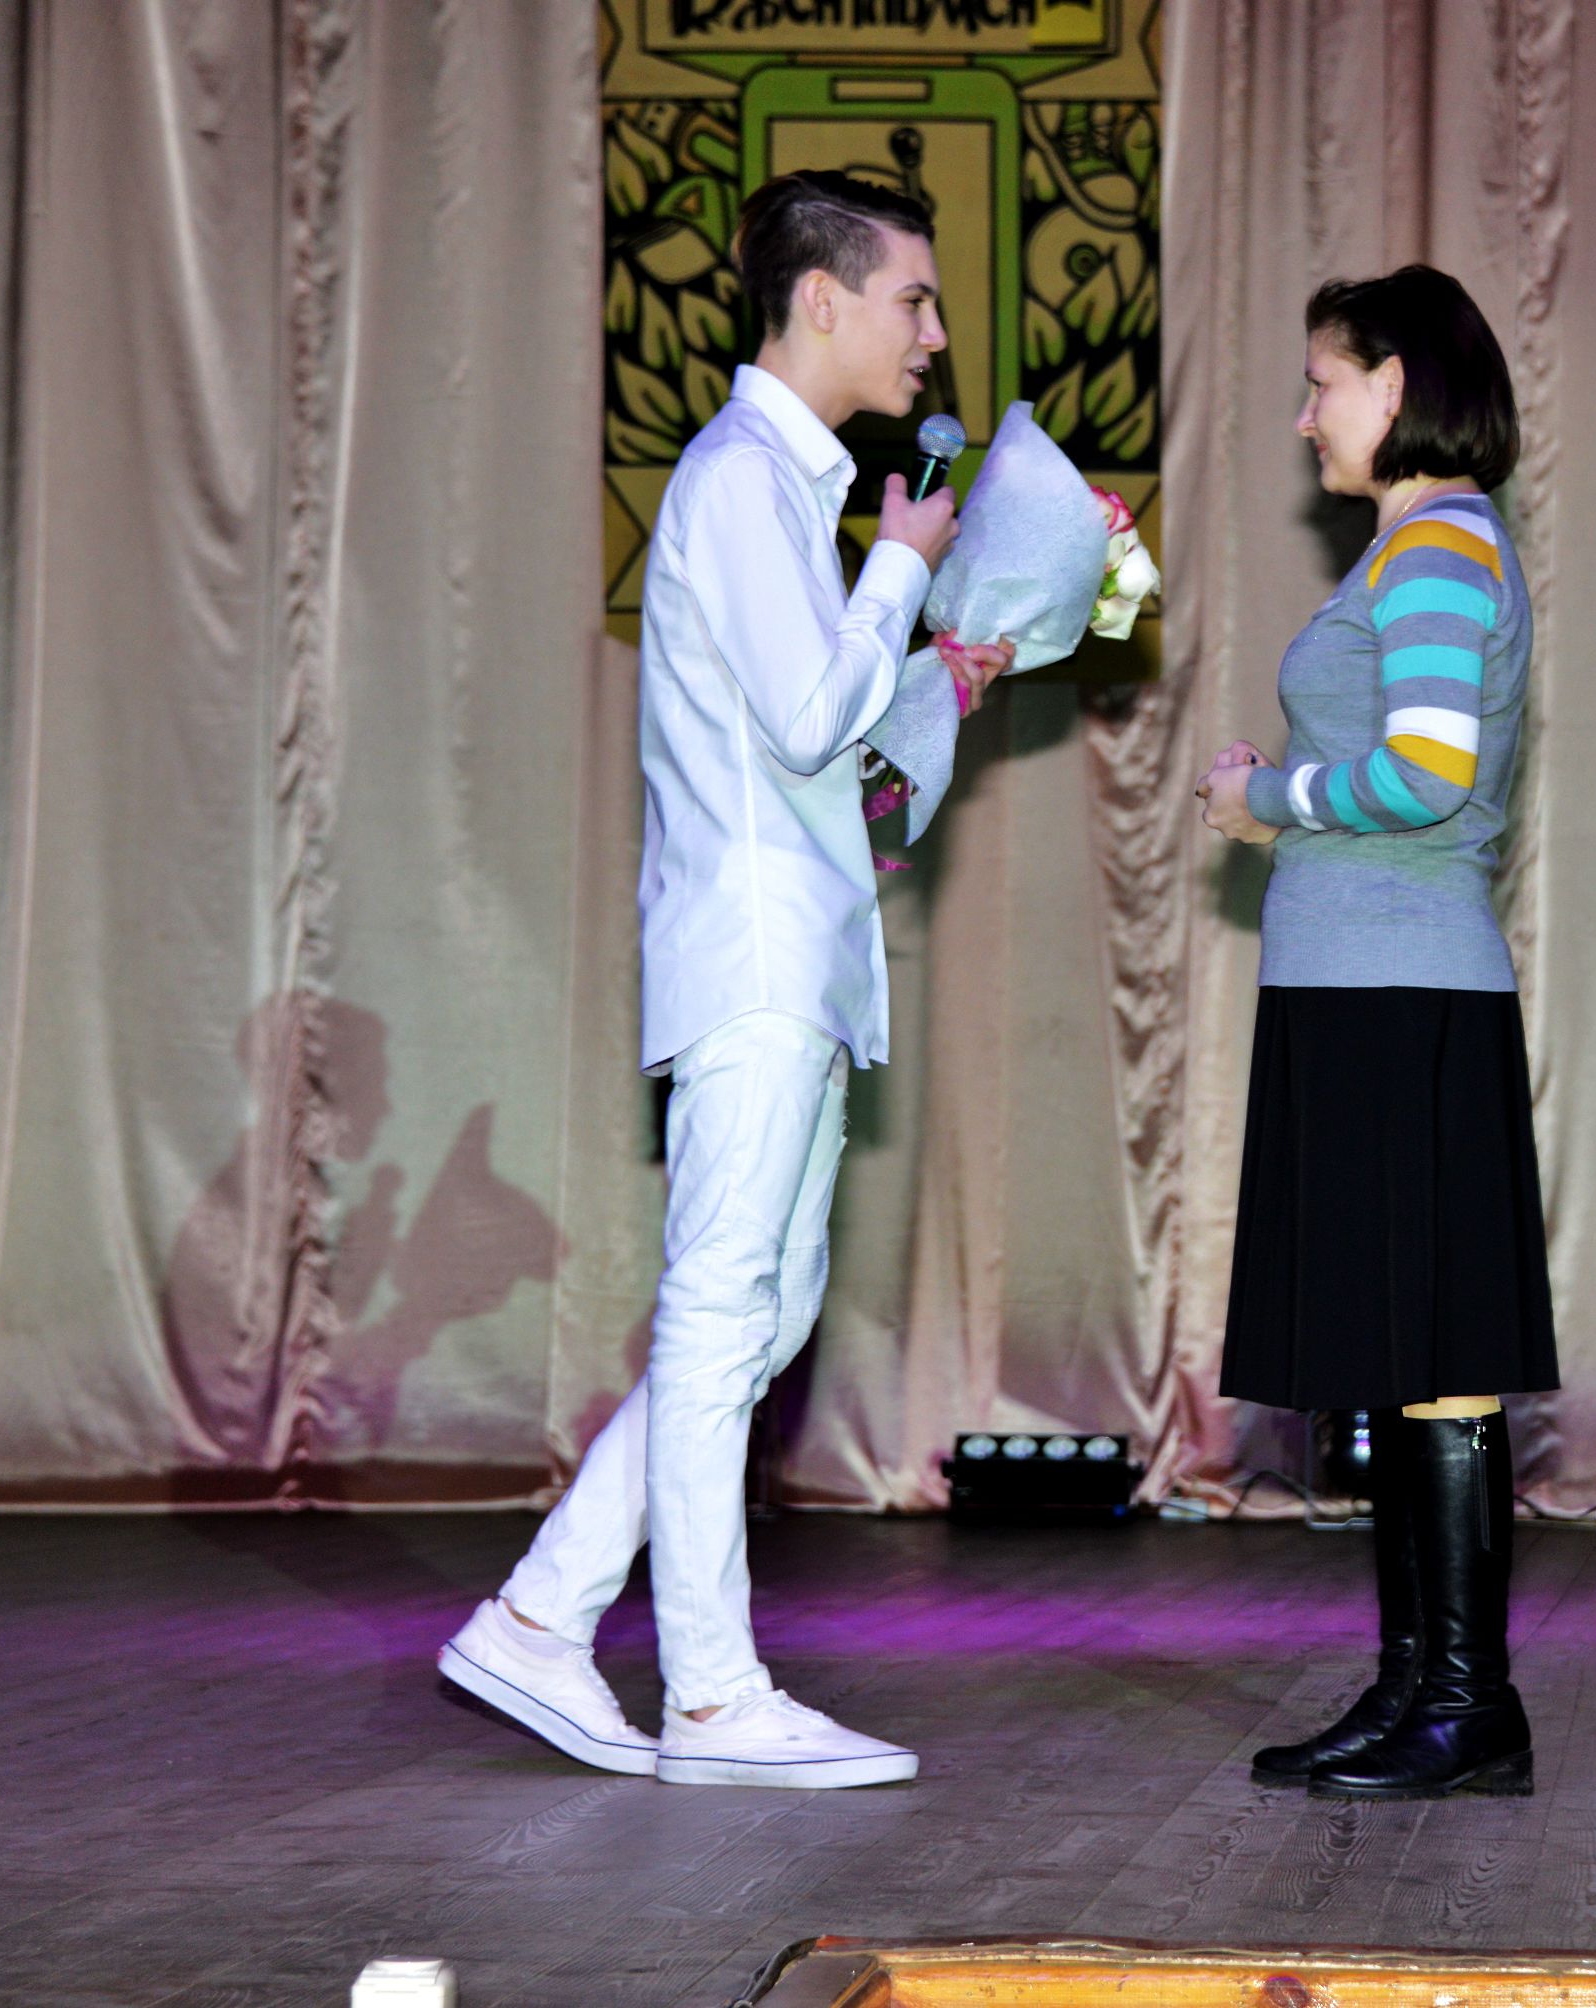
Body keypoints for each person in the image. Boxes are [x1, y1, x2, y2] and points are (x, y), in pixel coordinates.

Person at [437, 171, 1010, 1790]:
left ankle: (542, 1618)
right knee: (719, 1314)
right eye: (912, 299)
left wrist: (928, 677)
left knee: (761, 1315)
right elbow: (811, 718)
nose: (935, 333)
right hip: (754, 960)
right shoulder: (745, 477)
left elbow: (808, 747)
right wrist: (902, 568)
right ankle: (708, 1694)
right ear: (820, 299)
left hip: (791, 955)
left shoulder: (777, 486)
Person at [1196, 264, 1555, 1799]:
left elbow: (1424, 771)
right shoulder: (1417, 551)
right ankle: (1417, 1690)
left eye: (1322, 383)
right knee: (1409, 1358)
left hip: (1403, 995)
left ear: (1395, 385)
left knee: (1440, 1358)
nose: (1306, 416)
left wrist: (1265, 799)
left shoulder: (1441, 549)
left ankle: (1467, 1703)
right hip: (1365, 990)